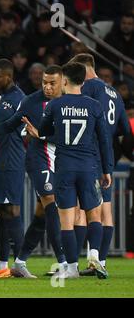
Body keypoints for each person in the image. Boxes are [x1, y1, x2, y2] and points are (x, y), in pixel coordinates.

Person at [23, 62, 113, 279]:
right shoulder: (94, 106)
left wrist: (41, 133)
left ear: (64, 80)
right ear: (84, 81)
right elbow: (104, 140)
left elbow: (44, 130)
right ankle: (94, 255)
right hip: (88, 168)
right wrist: (107, 170)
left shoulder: (55, 105)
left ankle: (71, 268)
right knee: (94, 215)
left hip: (64, 169)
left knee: (66, 220)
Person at [0, 65, 67, 278]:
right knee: (50, 202)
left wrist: (42, 134)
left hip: (65, 161)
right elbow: (9, 125)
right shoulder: (30, 101)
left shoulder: (71, 103)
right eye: (44, 83)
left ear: (63, 82)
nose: (47, 87)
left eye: (52, 83)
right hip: (39, 159)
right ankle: (65, 263)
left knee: (42, 215)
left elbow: (72, 136)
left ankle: (19, 261)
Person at [69, 53, 132, 276]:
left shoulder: (90, 89)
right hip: (108, 156)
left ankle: (72, 266)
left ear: (83, 70)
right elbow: (125, 129)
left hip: (88, 153)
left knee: (80, 211)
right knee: (106, 211)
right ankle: (99, 261)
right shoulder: (114, 92)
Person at [0, 59, 26, 278]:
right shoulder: (2, 98)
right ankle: (2, 264)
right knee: (1, 210)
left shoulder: (19, 99)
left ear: (8, 76)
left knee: (12, 210)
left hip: (12, 160)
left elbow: (1, 128)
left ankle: (20, 263)